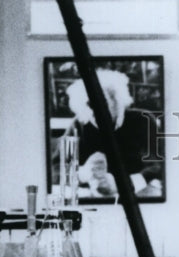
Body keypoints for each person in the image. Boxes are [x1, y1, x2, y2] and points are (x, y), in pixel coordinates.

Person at [62, 69, 163, 199]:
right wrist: (82, 173)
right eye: (88, 104)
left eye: (102, 102)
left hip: (135, 198)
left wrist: (124, 184)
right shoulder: (79, 124)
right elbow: (55, 168)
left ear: (117, 101)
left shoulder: (144, 120)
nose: (94, 110)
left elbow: (158, 165)